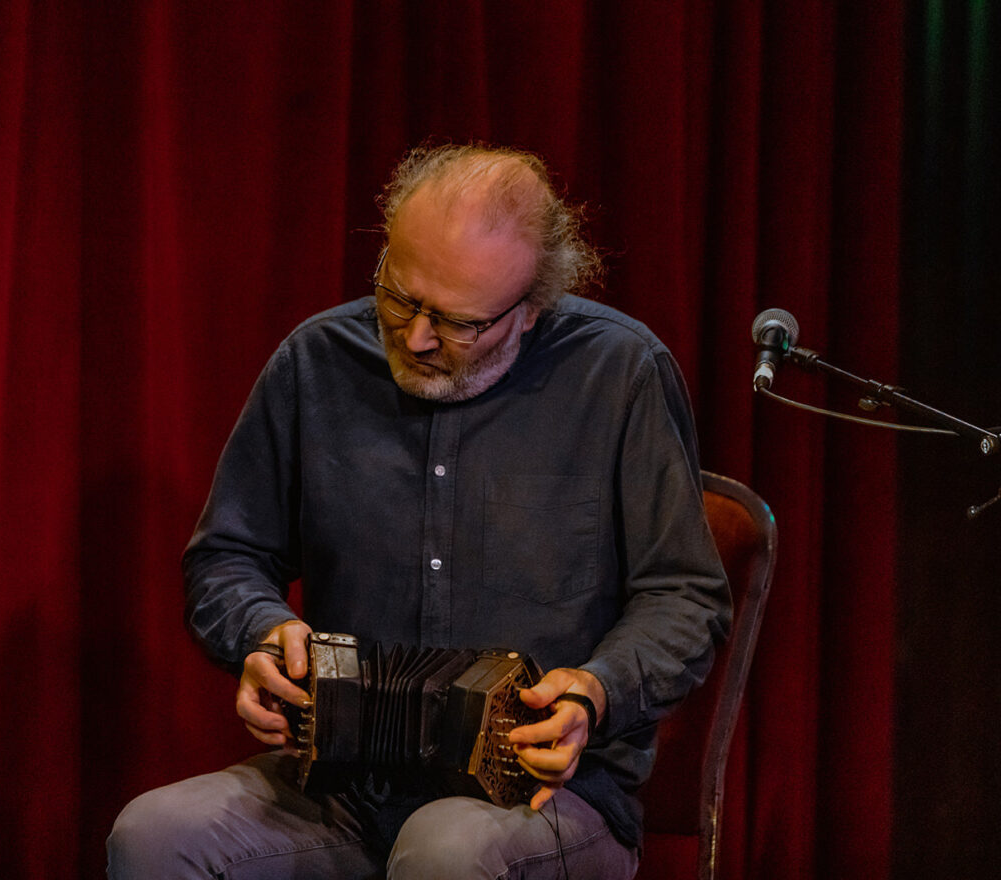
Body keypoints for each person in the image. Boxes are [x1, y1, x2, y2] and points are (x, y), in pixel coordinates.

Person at [107, 143, 731, 880]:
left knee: (444, 851)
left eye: (459, 322)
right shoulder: (317, 362)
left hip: (549, 794)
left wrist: (597, 690)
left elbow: (685, 595)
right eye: (400, 297)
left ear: (529, 310)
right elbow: (227, 556)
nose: (416, 338)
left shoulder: (618, 374)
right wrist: (261, 634)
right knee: (154, 836)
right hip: (345, 785)